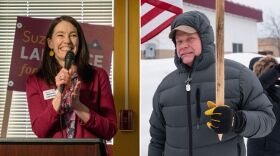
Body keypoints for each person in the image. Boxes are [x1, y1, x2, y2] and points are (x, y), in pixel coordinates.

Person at [148, 11, 276, 156]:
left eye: (190, 39)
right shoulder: (165, 87)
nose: (183, 46)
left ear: (204, 39)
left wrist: (237, 120)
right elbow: (157, 140)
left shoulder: (239, 76)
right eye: (179, 41)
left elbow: (267, 120)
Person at [26, 16, 117, 140]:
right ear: (50, 43)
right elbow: (40, 130)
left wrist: (79, 106)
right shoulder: (35, 81)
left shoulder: (99, 76)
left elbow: (110, 130)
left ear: (80, 42)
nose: (67, 41)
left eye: (73, 35)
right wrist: (59, 95)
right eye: (60, 35)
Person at [247, 56, 280, 156]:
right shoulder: (256, 93)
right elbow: (258, 87)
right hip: (261, 151)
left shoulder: (276, 91)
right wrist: (276, 70)